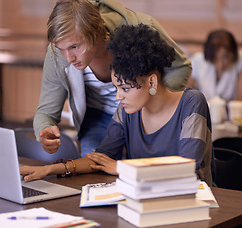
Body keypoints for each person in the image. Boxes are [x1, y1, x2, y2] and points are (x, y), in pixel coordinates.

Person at [21, 23, 214, 187]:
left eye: (125, 89)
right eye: (116, 88)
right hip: (144, 202)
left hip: (192, 208)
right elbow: (101, 158)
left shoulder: (191, 103)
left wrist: (122, 167)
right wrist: (50, 169)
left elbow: (187, 167)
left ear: (152, 82)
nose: (118, 97)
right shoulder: (128, 109)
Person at [34, 0, 191, 157]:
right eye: (61, 49)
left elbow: (180, 67)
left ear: (95, 34)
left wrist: (154, 102)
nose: (68, 58)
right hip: (97, 117)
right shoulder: (58, 53)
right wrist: (44, 128)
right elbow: (46, 112)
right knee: (95, 173)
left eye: (74, 47)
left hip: (144, 113)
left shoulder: (141, 27)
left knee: (149, 171)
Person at [188, 29, 242, 102]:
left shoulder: (240, 61)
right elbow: (188, 95)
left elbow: (239, 100)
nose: (220, 65)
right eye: (215, 59)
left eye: (225, 58)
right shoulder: (197, 60)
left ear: (233, 53)